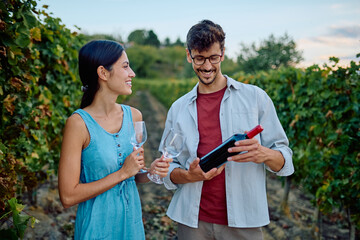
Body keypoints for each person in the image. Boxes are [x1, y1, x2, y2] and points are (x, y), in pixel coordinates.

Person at [161, 20, 294, 240]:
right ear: (188, 55)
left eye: (213, 58)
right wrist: (187, 175)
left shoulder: (256, 98)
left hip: (244, 222)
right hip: (192, 222)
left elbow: (285, 159)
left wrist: (265, 153)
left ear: (223, 53)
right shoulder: (178, 109)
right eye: (199, 58)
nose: (206, 66)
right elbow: (166, 166)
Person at [58, 40, 171, 240]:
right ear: (103, 73)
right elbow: (68, 196)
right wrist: (122, 173)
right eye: (125, 66)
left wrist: (151, 171)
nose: (132, 73)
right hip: (96, 229)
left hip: (131, 226)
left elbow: (134, 174)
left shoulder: (135, 116)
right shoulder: (78, 124)